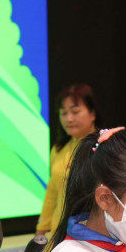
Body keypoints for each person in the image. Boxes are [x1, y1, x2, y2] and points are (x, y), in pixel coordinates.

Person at [37, 83, 98, 237]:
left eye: (75, 112)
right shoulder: (59, 149)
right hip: (59, 233)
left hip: (92, 234)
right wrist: (41, 230)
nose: (68, 119)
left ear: (92, 114)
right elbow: (52, 192)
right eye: (63, 113)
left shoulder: (104, 147)